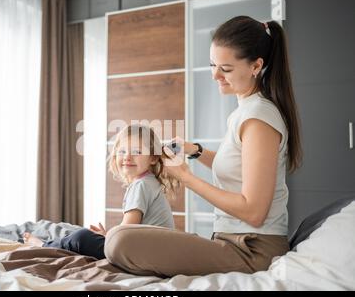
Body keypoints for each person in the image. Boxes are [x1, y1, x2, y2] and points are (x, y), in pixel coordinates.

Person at [104, 16, 303, 277]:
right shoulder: (247, 111)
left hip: (252, 251)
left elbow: (253, 212)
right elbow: (237, 166)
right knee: (119, 237)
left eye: (226, 69)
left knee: (120, 241)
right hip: (233, 241)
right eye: (212, 64)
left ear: (256, 66)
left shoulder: (258, 120)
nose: (215, 75)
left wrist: (186, 178)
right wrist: (194, 150)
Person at [23, 124, 180, 259]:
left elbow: (127, 230)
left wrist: (110, 237)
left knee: (82, 237)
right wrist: (108, 235)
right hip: (150, 252)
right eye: (122, 151)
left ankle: (44, 244)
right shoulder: (149, 182)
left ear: (153, 158)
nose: (127, 157)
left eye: (137, 152)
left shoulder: (141, 186)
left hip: (140, 256)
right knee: (84, 235)